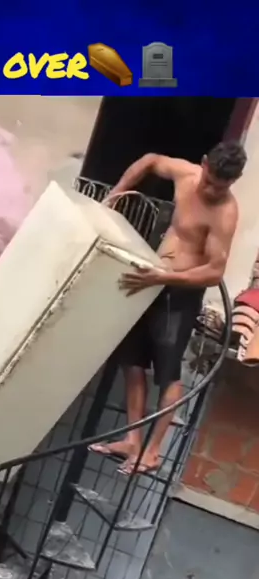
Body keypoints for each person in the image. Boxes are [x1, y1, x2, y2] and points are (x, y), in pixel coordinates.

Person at [89, 140, 246, 474]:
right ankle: (132, 439)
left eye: (220, 187)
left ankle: (153, 452)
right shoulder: (184, 174)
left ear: (233, 182)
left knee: (168, 372)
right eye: (209, 181)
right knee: (132, 360)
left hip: (180, 293)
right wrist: (117, 192)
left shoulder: (225, 213)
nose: (211, 191)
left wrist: (165, 277)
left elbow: (214, 271)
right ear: (203, 164)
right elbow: (149, 159)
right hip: (151, 282)